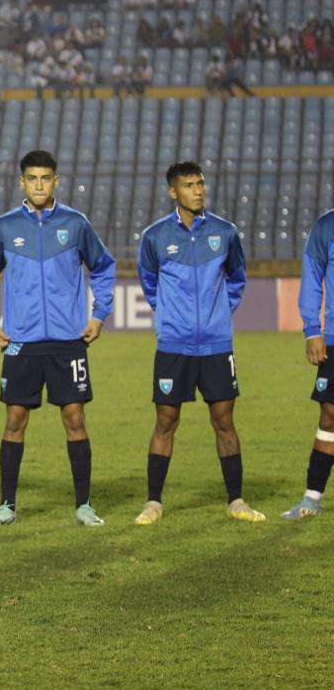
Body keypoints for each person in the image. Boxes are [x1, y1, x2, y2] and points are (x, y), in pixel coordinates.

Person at [0, 150, 116, 526]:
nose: (39, 184)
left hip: (68, 340)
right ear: (22, 182)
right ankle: (7, 506)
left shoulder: (76, 223)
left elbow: (102, 267)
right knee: (15, 419)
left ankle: (84, 505)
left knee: (74, 418)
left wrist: (99, 314)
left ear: (56, 181)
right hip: (21, 341)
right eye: (32, 178)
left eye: (46, 178)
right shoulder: (4, 227)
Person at [134, 163, 264, 525]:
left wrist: (220, 312)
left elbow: (237, 277)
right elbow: (149, 281)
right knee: (166, 420)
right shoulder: (155, 236)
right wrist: (169, 317)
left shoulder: (224, 232)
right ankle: (153, 502)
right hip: (174, 345)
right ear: (173, 192)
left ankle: (236, 500)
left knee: (224, 421)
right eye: (189, 185)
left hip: (216, 345)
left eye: (201, 184)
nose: (198, 190)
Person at [288, 205, 334, 520]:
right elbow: (311, 277)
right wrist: (311, 330)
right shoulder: (325, 227)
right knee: (330, 415)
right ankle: (312, 498)